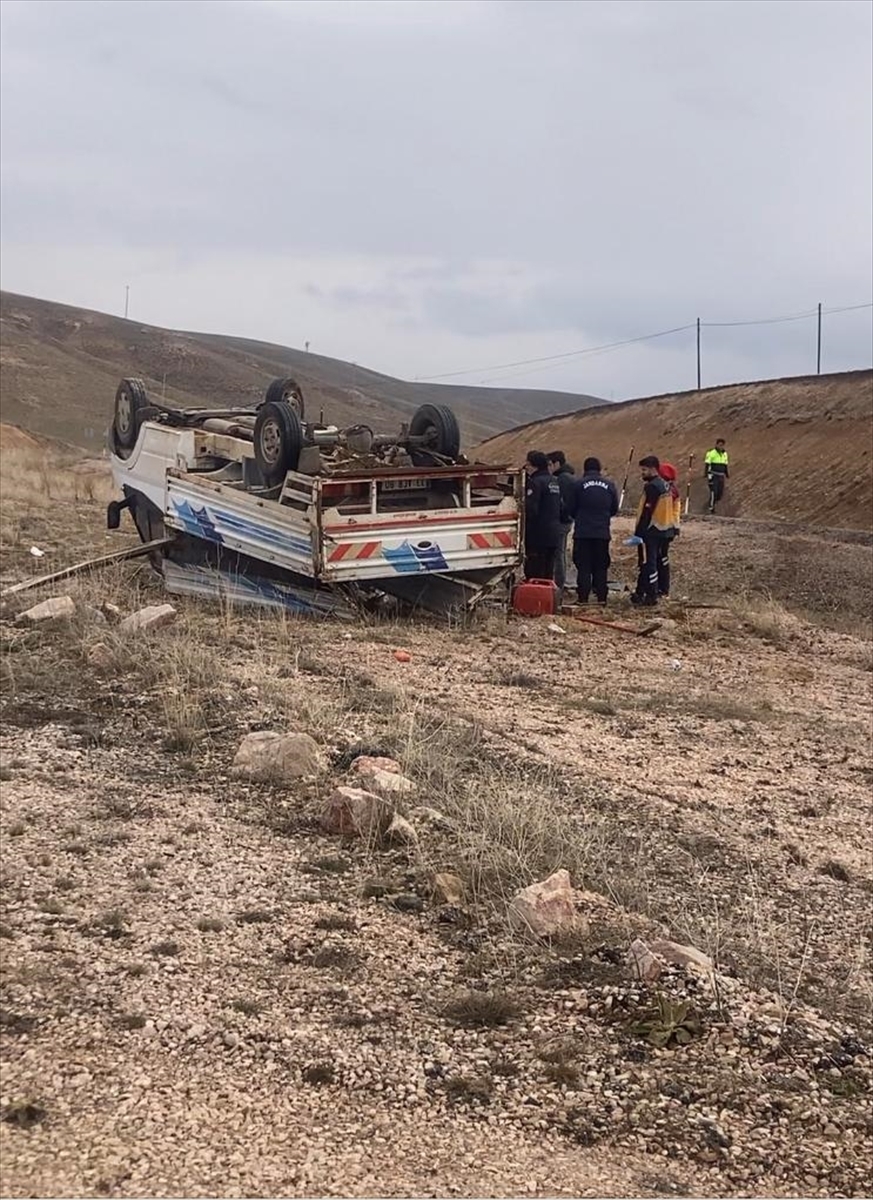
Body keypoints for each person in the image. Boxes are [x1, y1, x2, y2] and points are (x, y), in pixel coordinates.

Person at [566, 456, 619, 605]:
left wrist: (580, 516)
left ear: (585, 469)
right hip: (602, 532)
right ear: (599, 469)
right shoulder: (609, 485)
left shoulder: (578, 484)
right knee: (601, 566)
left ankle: (583, 598)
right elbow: (614, 508)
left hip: (583, 532)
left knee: (584, 566)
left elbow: (570, 507)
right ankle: (602, 598)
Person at [627, 455, 674, 606]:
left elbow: (647, 512)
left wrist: (638, 533)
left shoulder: (652, 487)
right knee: (653, 561)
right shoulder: (665, 485)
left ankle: (651, 595)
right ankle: (641, 591)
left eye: (644, 470)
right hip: (663, 529)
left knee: (649, 563)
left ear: (653, 469)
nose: (642, 473)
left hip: (651, 531)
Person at [523, 450, 562, 581]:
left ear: (535, 466)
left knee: (535, 573)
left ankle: (536, 599)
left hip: (538, 536)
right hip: (553, 534)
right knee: (548, 572)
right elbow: (562, 507)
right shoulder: (554, 482)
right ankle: (547, 599)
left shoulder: (535, 483)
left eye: (528, 464)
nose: (526, 467)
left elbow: (531, 509)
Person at [547, 451, 576, 595]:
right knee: (560, 553)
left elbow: (561, 502)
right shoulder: (569, 477)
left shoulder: (561, 479)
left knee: (558, 554)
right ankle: (559, 583)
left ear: (557, 464)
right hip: (567, 520)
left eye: (550, 464)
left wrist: (558, 516)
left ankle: (558, 584)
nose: (549, 468)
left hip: (561, 521)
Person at [656, 462, 681, 599]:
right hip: (670, 528)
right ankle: (664, 589)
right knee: (664, 558)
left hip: (660, 529)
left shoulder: (663, 491)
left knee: (657, 559)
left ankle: (660, 588)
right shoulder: (674, 490)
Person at [704, 439, 729, 514]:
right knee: (713, 491)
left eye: (722, 445)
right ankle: (711, 507)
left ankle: (713, 502)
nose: (721, 446)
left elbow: (725, 464)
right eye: (719, 445)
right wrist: (707, 474)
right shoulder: (711, 453)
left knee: (720, 493)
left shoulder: (724, 454)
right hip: (713, 475)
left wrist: (726, 473)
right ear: (716, 444)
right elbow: (707, 464)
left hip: (721, 475)